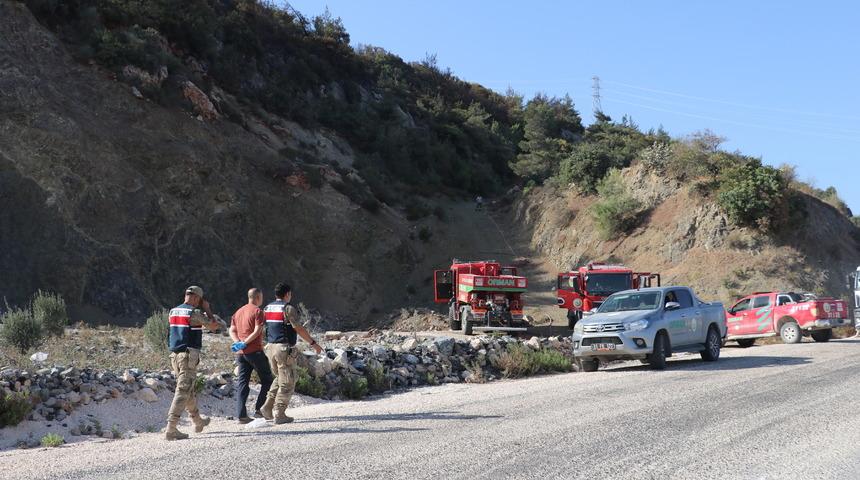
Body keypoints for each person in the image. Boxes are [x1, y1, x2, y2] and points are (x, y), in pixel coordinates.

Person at [261, 283, 323, 424]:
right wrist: (313, 343)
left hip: (270, 347)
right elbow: (298, 328)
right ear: (287, 294)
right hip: (283, 348)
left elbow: (265, 328)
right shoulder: (288, 308)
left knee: (279, 378)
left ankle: (267, 407)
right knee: (288, 381)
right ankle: (280, 413)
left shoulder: (267, 308)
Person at [165, 285, 220, 441]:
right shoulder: (194, 312)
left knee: (188, 389)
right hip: (188, 356)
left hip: (175, 355)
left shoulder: (173, 311)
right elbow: (213, 326)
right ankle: (171, 428)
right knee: (183, 390)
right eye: (200, 300)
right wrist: (207, 309)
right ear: (196, 298)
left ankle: (197, 421)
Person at [229, 288, 275, 423]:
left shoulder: (238, 312)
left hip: (241, 354)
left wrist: (238, 342)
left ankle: (241, 415)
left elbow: (232, 330)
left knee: (242, 383)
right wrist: (245, 342)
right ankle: (260, 410)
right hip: (255, 352)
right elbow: (257, 330)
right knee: (267, 380)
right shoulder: (258, 311)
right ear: (258, 297)